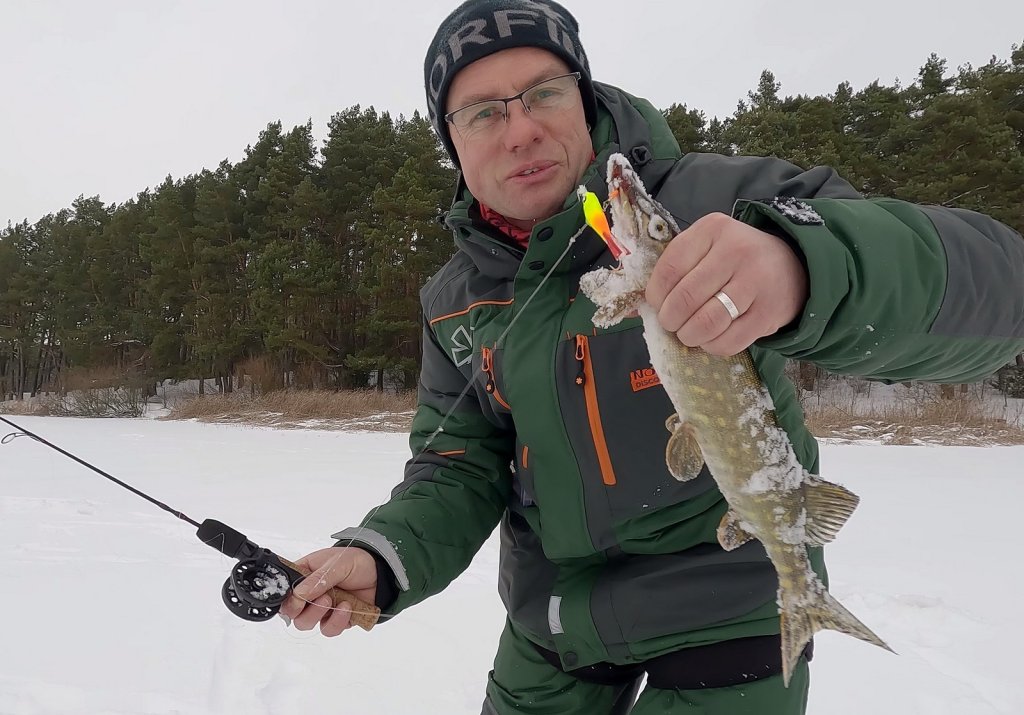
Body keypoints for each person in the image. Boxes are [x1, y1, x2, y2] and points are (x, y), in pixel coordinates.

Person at [280, 1, 1024, 712]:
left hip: (728, 607)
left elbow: (1002, 292)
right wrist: (384, 555)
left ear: (584, 97)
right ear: (454, 144)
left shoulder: (717, 201)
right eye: (482, 112)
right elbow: (457, 465)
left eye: (544, 93)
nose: (521, 130)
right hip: (554, 625)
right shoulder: (454, 300)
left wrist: (804, 264)